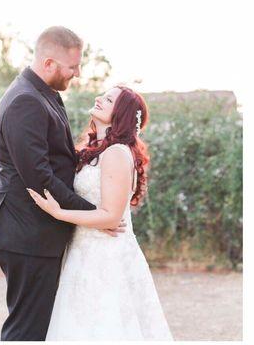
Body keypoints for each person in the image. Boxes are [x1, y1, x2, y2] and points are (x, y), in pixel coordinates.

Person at [0, 26, 124, 341]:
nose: (77, 73)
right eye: (72, 67)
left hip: (36, 230)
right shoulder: (24, 101)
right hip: (26, 232)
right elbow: (39, 178)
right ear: (48, 63)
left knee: (40, 324)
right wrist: (95, 215)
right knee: (28, 329)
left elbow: (59, 160)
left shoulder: (43, 94)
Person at [28, 86, 174, 340]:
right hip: (84, 251)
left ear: (122, 114)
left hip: (106, 255)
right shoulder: (98, 149)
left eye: (108, 99)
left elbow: (111, 217)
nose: (99, 99)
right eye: (103, 95)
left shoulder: (116, 153)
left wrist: (58, 212)